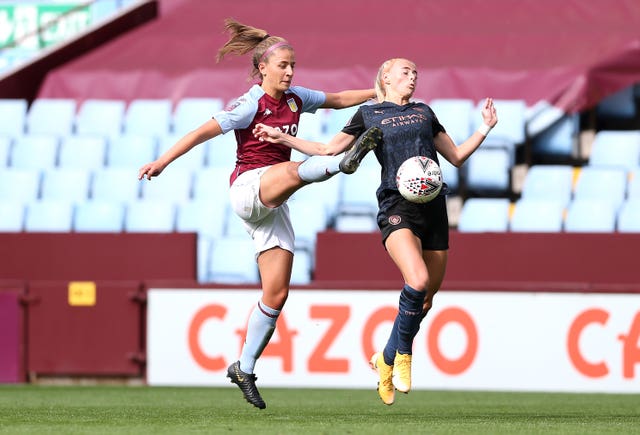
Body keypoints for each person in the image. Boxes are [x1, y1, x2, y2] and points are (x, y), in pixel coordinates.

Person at [138, 18, 381, 410]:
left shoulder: (296, 98)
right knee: (291, 170)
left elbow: (336, 99)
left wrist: (378, 92)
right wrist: (162, 161)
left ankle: (244, 367)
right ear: (262, 68)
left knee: (277, 291)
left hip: (274, 201)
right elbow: (202, 132)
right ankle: (343, 162)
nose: (289, 71)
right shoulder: (249, 103)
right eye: (283, 65)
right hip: (249, 187)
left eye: (293, 65)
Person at [253, 58, 498, 405]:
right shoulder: (369, 114)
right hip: (397, 207)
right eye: (405, 71)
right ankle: (404, 357)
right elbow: (327, 149)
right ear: (386, 76)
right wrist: (283, 139)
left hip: (434, 208)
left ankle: (384, 358)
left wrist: (485, 128)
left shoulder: (425, 112)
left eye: (415, 73)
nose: (412, 77)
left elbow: (456, 156)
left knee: (426, 299)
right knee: (417, 281)